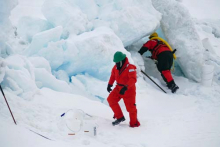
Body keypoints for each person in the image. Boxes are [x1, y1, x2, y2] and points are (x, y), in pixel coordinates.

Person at [107, 51, 140, 127]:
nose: (116, 64)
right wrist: (109, 84)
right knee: (111, 99)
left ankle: (134, 123)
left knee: (131, 108)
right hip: (118, 88)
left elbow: (133, 79)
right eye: (116, 62)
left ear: (122, 61)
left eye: (118, 62)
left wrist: (126, 87)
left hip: (129, 90)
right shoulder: (115, 67)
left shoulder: (130, 68)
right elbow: (113, 76)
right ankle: (120, 117)